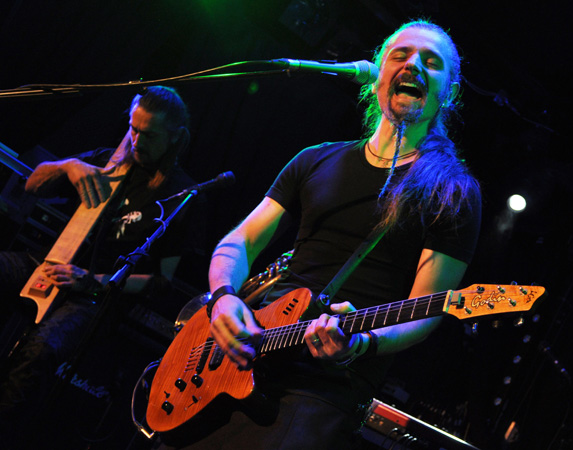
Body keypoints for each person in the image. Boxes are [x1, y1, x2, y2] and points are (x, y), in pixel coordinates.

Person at [161, 19, 481, 450]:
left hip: (324, 388)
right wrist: (223, 298)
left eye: (431, 62)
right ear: (375, 76)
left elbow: (424, 311)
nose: (413, 66)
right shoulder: (315, 159)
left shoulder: (453, 191)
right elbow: (241, 241)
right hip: (243, 356)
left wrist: (361, 343)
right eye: (401, 55)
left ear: (450, 92)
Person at [0, 86, 204, 448]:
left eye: (149, 135)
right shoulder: (105, 160)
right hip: (48, 264)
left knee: (42, 352)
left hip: (97, 297)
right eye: (133, 129)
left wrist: (93, 280)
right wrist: (70, 166)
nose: (136, 140)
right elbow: (32, 184)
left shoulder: (180, 195)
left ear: (175, 137)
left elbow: (162, 281)